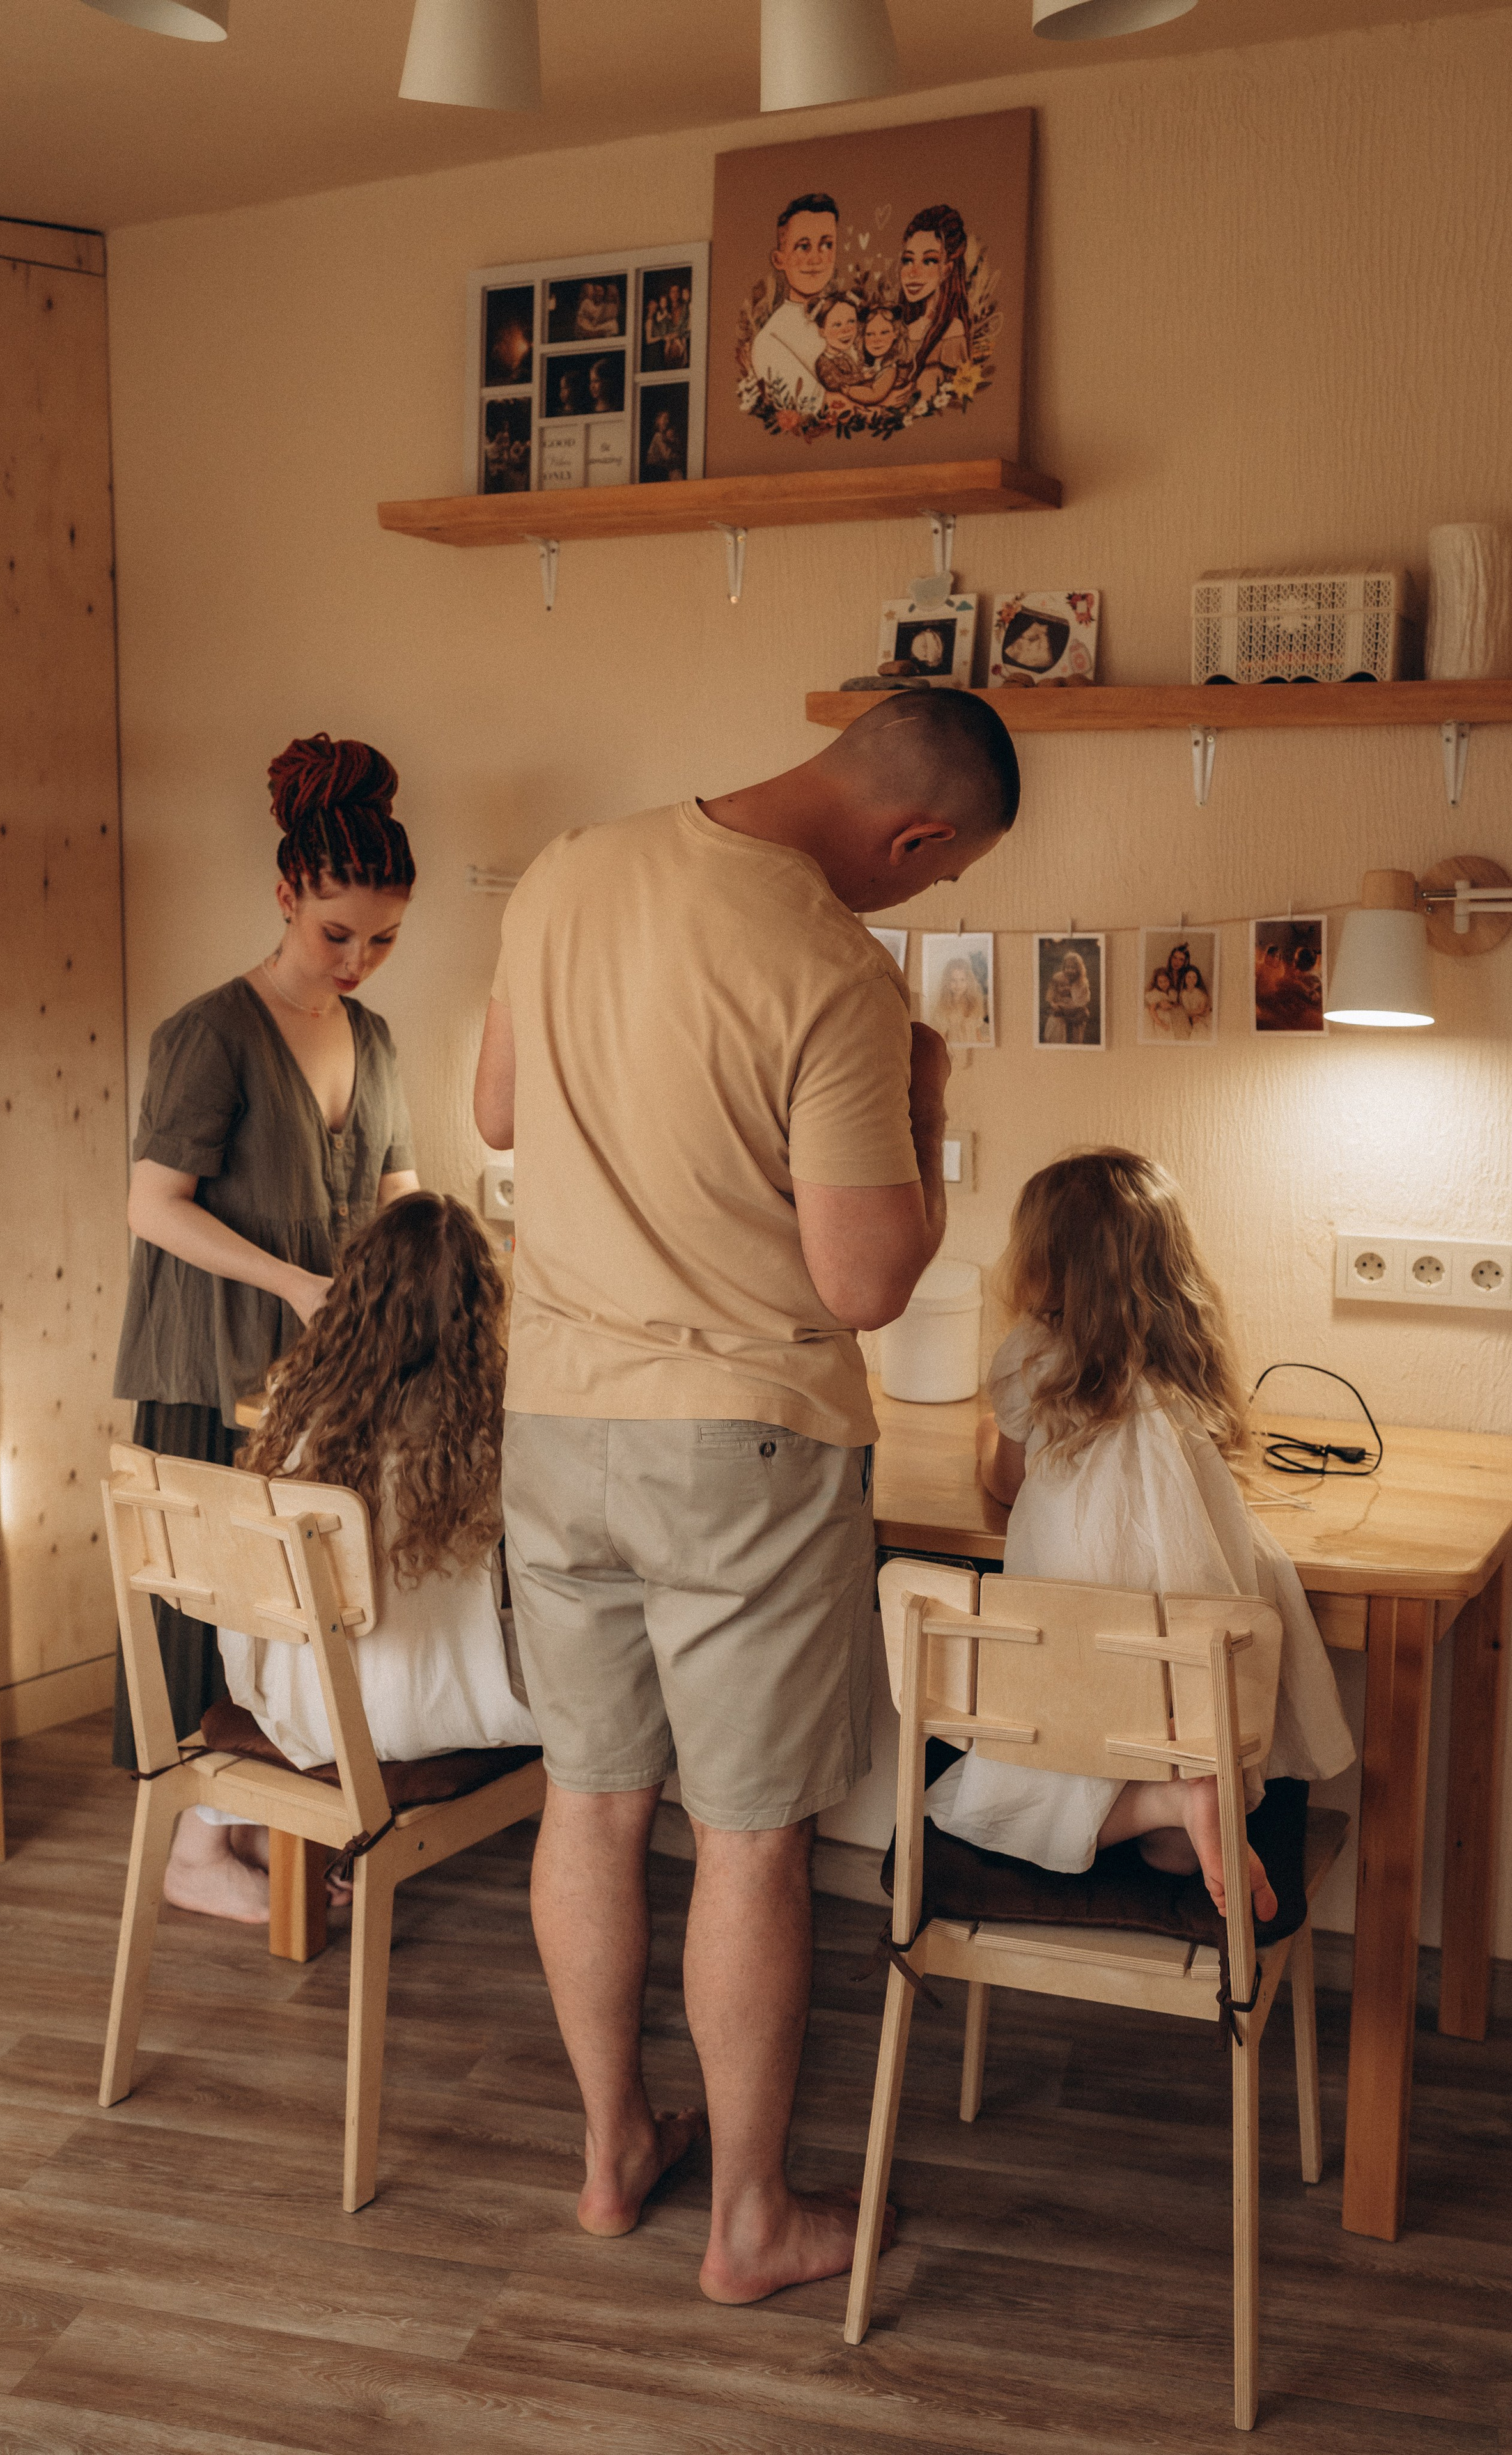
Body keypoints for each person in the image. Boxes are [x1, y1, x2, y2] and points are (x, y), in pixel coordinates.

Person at [473, 689, 1021, 2303]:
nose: (920, 900)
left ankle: (606, 2156)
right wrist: (921, 1108)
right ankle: (749, 2220)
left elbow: (500, 1118)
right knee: (748, 1839)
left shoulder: (568, 871)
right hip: (743, 1440)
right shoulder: (833, 968)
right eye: (938, 875)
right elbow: (862, 1280)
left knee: (588, 1794)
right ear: (910, 833)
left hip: (556, 1420)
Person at [113, 732, 420, 1923]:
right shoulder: (211, 1034)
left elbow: (397, 1201)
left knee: (299, 1616)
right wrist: (294, 1285)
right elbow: (154, 1206)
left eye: (384, 938)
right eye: (335, 932)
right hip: (219, 1365)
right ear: (286, 892)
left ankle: (258, 1830)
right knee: (225, 1612)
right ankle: (198, 1846)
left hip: (323, 1385)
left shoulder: (379, 1043)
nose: (359, 960)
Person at [926, 1150, 1354, 1913]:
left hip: (1079, 1655)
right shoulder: (1186, 1359)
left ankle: (1165, 1806)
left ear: (1041, 1261)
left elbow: (1005, 1484)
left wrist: (990, 1437)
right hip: (1187, 1676)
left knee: (986, 1802)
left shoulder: (1028, 1353)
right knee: (1170, 1855)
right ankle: (1184, 1805)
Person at [213, 1194, 538, 1779]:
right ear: (477, 1307)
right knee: (597, 1666)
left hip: (298, 1709)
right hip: (421, 1713)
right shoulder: (487, 1418)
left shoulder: (295, 1397)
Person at [749, 192, 839, 415]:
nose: (816, 259)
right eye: (804, 247)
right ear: (780, 260)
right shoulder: (770, 340)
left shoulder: (847, 315)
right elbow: (824, 407)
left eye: (827, 245)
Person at [898, 203, 977, 402]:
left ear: (947, 270)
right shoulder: (903, 329)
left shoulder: (953, 330)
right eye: (908, 260)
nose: (913, 272)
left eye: (929, 261)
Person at [928, 952, 990, 1048]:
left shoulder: (974, 1005)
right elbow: (941, 1039)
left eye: (962, 980)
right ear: (947, 982)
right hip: (955, 1051)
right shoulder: (943, 1008)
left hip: (973, 1049)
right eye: (954, 980)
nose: (958, 985)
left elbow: (977, 1033)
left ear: (968, 981)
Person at [1043, 945, 1091, 1043]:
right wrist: (1055, 1005)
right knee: (1056, 1028)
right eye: (1067, 967)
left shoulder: (1082, 982)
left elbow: (1081, 1002)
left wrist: (1072, 991)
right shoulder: (1058, 978)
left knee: (1075, 1035)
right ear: (1064, 967)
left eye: (1073, 968)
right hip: (1059, 1012)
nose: (1070, 970)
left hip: (1074, 1013)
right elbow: (1051, 996)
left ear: (1079, 969)